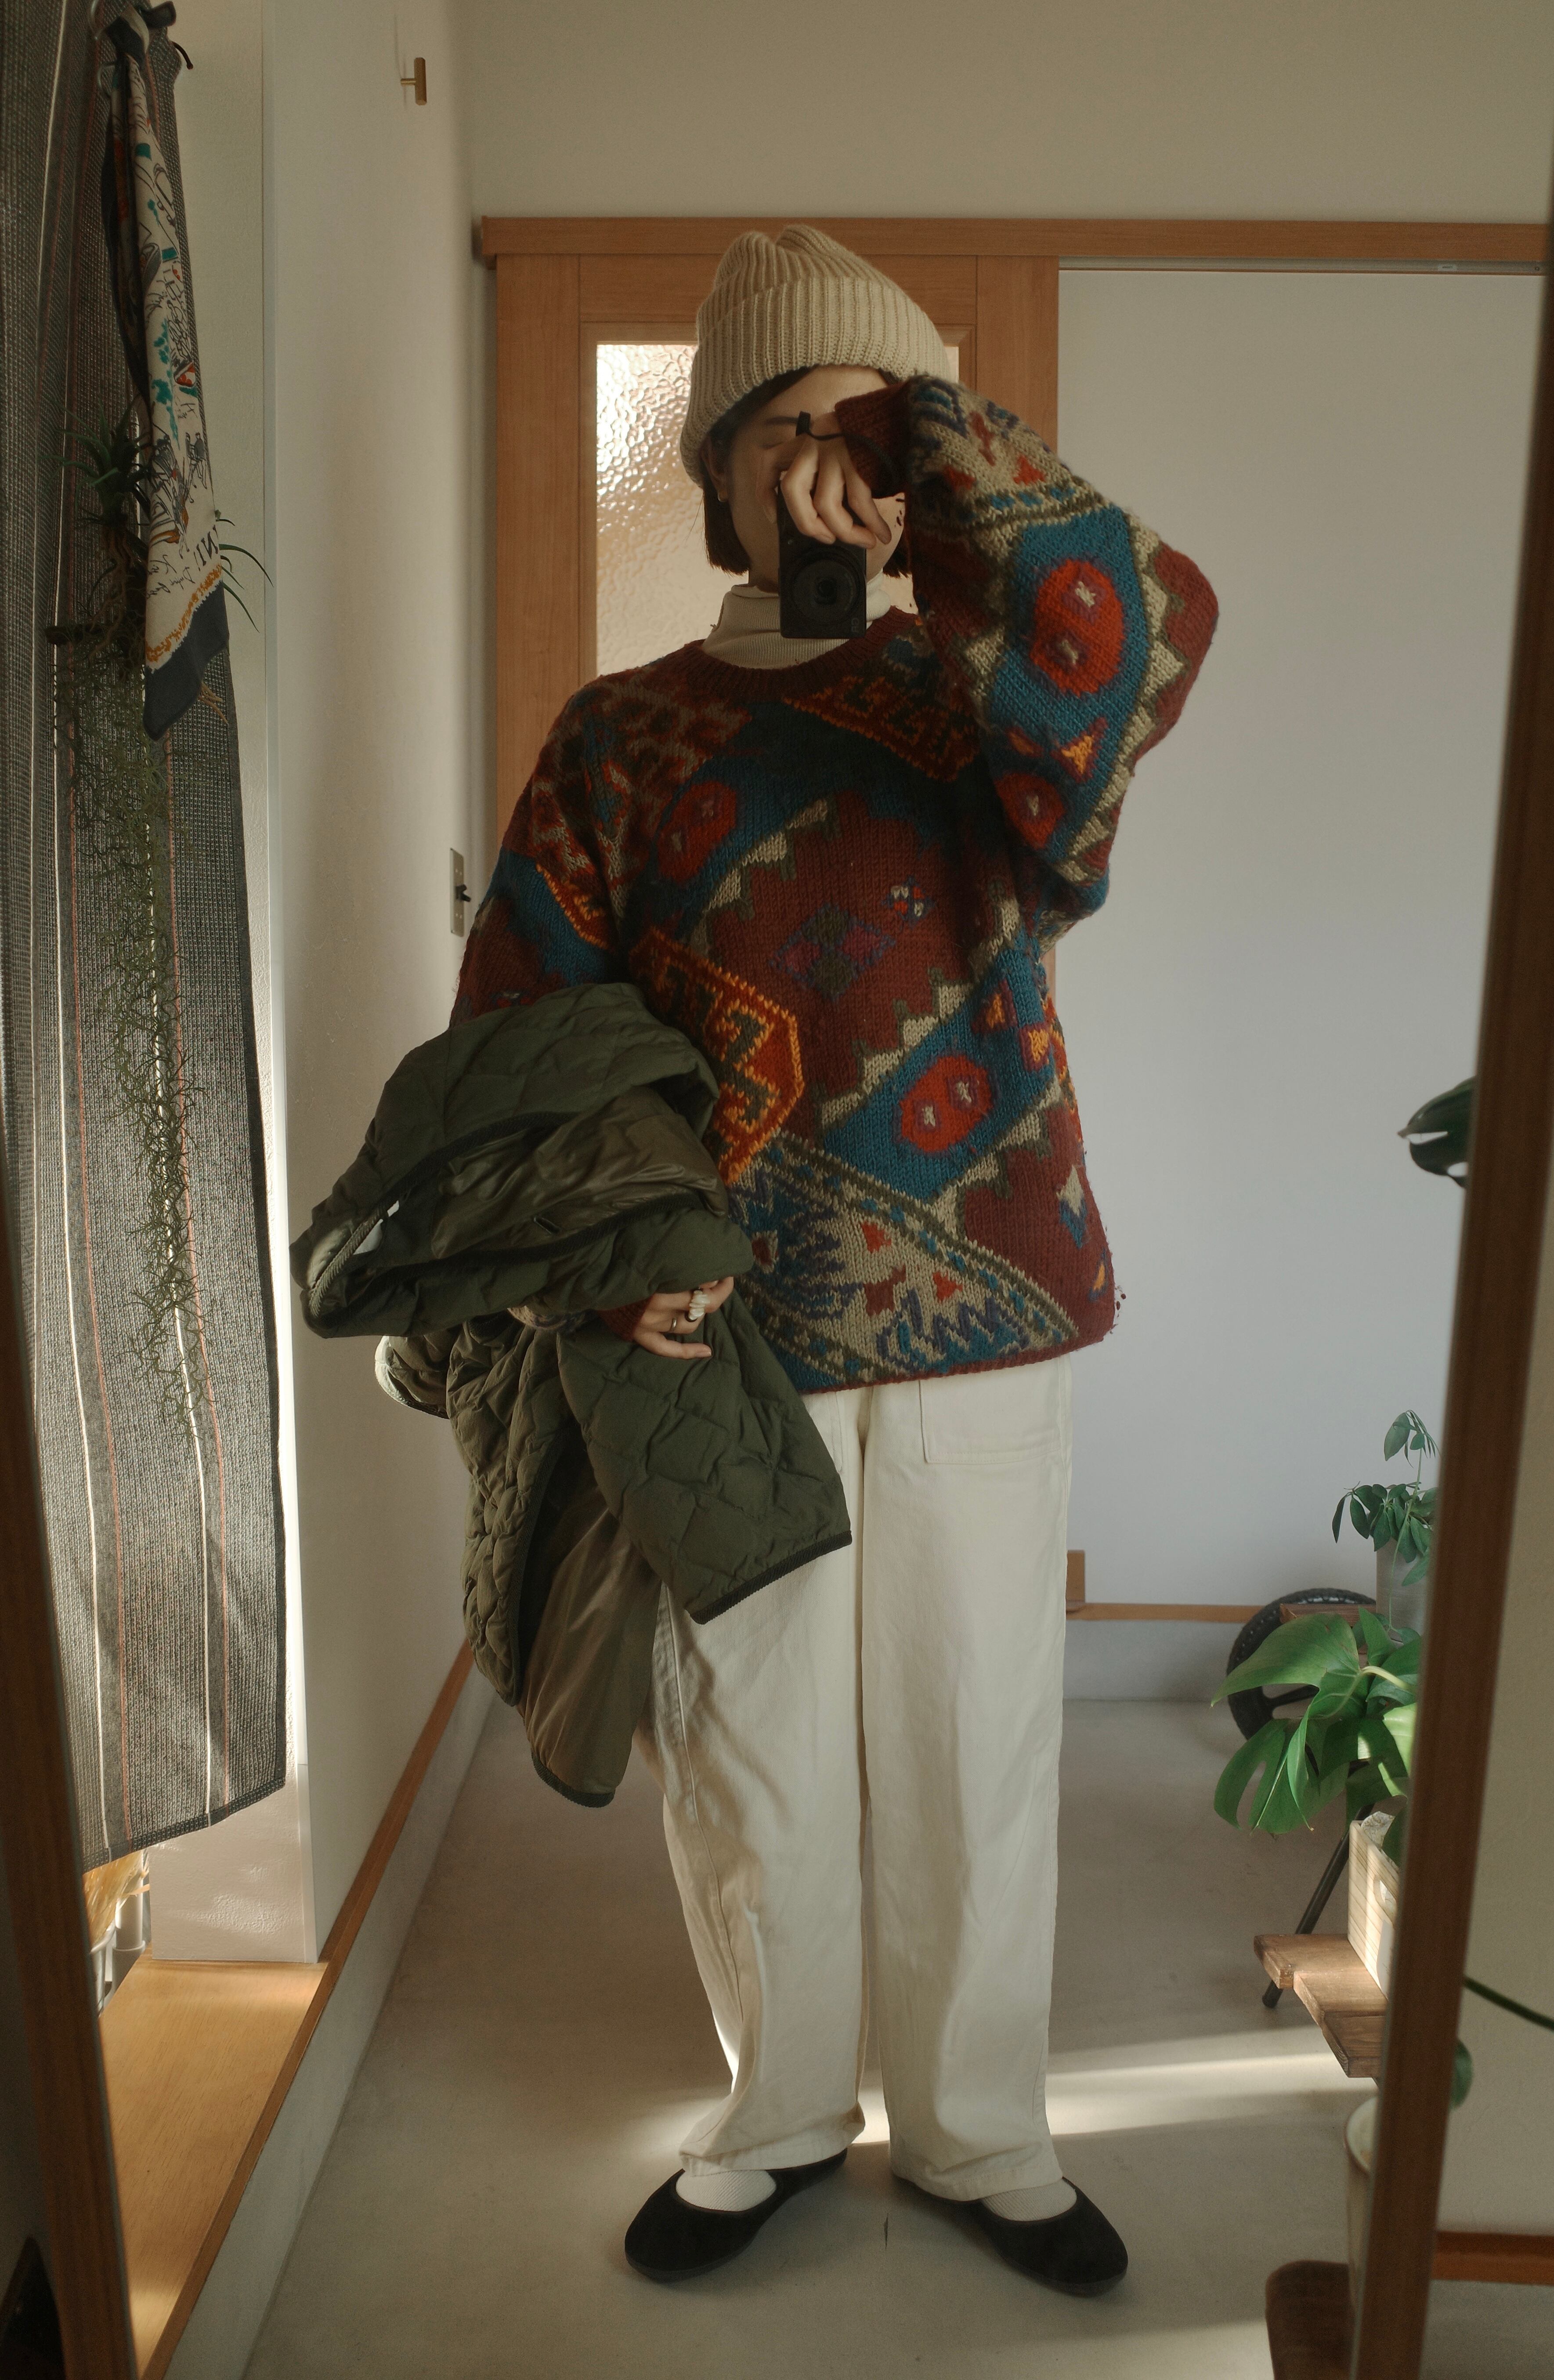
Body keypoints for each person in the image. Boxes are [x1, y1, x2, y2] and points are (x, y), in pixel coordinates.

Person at [454, 223, 1218, 2293]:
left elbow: (1153, 619)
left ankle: (981, 2132)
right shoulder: (619, 735)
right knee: (752, 1745)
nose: (821, 466)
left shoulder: (984, 711)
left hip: (990, 1308)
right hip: (716, 1335)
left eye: (862, 428)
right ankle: (777, 2112)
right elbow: (522, 1037)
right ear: (713, 466)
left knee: (977, 1737)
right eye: (781, 427)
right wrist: (604, 1265)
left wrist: (946, 479)